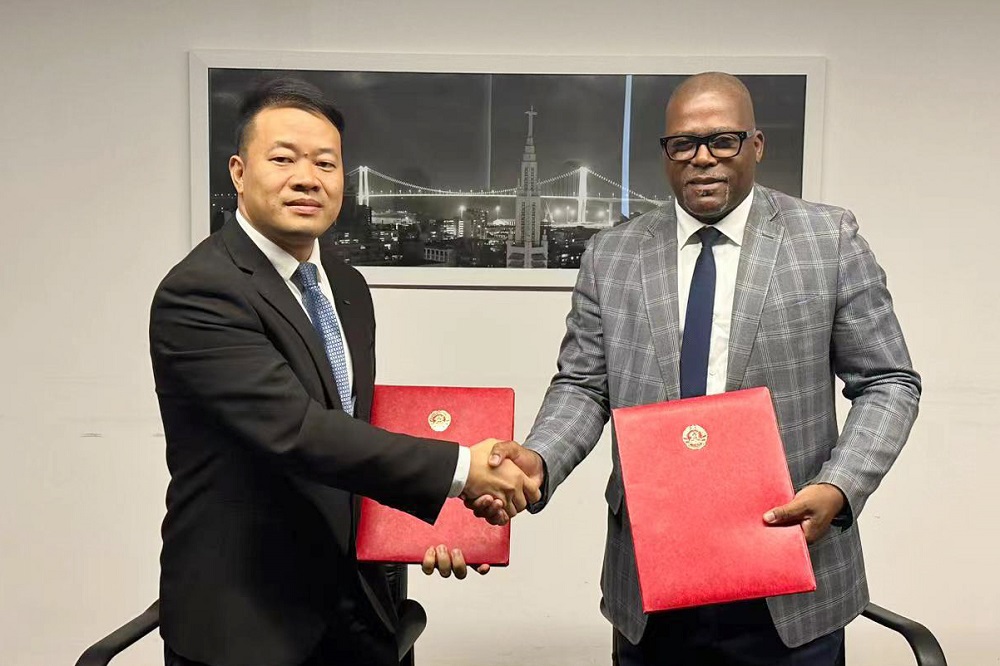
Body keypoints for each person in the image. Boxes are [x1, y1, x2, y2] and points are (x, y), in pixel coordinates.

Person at [474, 72, 921, 664]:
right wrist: (539, 459)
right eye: (683, 144)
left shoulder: (827, 239)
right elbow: (583, 386)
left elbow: (889, 382)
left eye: (723, 140)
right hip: (650, 580)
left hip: (790, 574)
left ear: (756, 145)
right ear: (666, 153)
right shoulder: (612, 254)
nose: (702, 158)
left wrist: (839, 486)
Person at [150, 78, 538, 666]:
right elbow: (299, 432)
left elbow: (355, 432)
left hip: (356, 610)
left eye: (326, 163)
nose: (307, 178)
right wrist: (462, 472)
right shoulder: (201, 291)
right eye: (283, 159)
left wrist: (439, 527)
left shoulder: (346, 285)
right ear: (238, 172)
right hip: (247, 621)